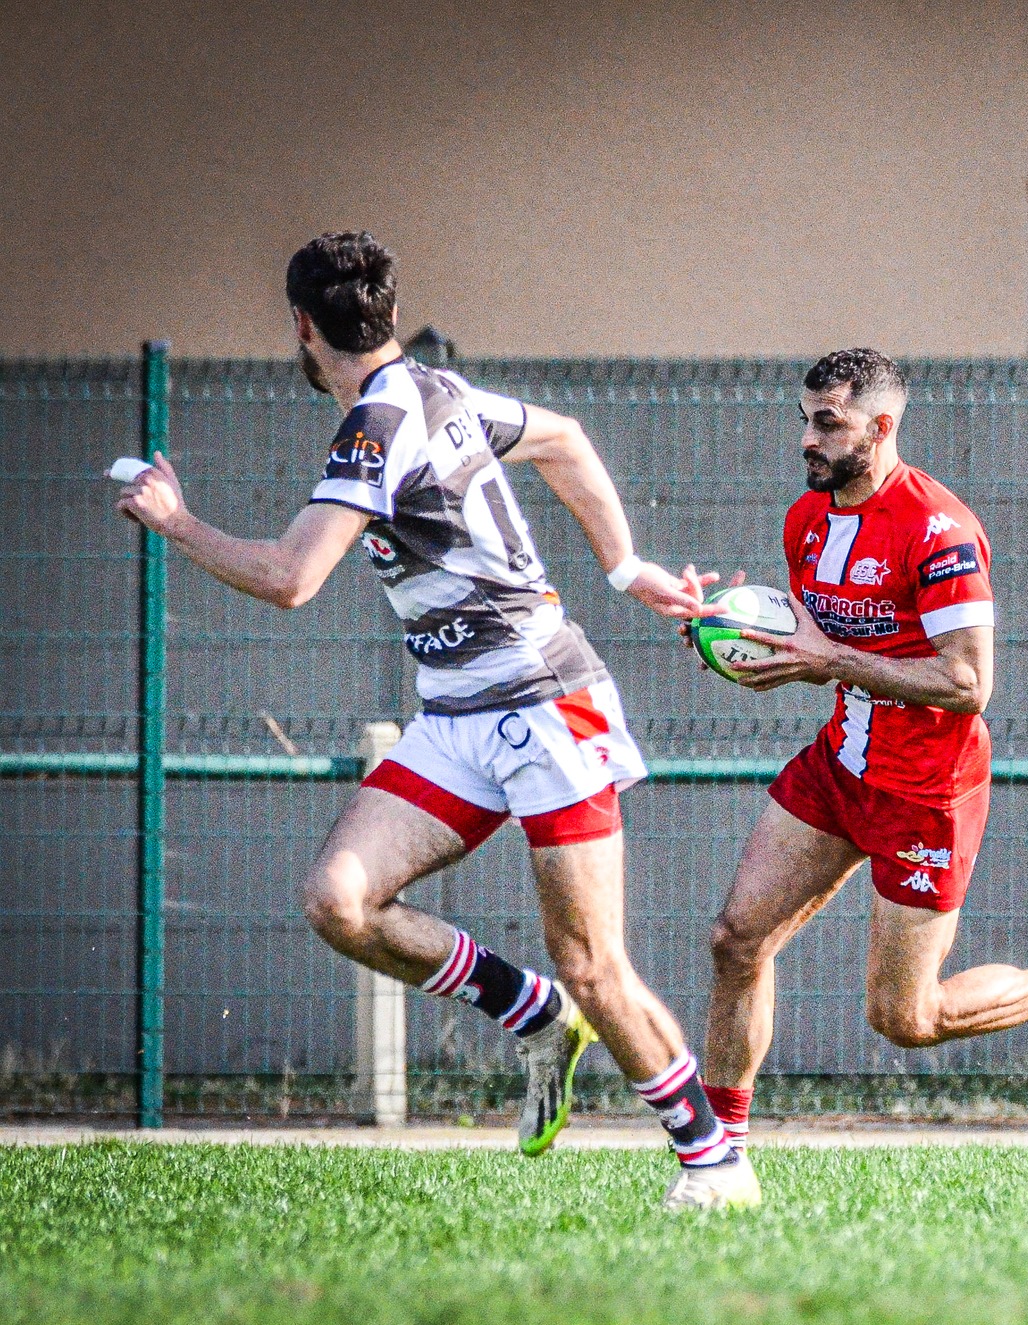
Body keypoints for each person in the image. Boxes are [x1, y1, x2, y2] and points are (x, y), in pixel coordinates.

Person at [114, 230, 756, 1210]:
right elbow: (566, 440)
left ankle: (714, 1162)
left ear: (300, 326)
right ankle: (528, 1012)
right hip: (457, 714)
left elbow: (291, 578)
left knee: (593, 961)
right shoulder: (434, 390)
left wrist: (176, 522)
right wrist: (626, 568)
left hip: (544, 706)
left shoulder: (375, 424)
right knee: (340, 897)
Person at [693, 348, 1028, 1157]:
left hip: (927, 789)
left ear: (881, 427)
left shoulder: (938, 529)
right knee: (736, 940)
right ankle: (717, 1157)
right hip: (840, 765)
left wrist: (828, 662)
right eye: (804, 420)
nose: (807, 440)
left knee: (906, 1018)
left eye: (827, 423)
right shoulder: (805, 521)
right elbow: (815, 655)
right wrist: (735, 642)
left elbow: (967, 682)